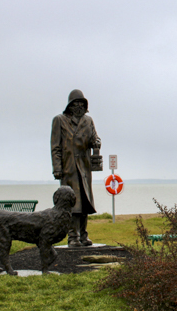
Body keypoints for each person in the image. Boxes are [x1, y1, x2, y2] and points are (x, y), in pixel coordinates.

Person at [51, 89, 102, 247]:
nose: (79, 107)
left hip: (85, 167)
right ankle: (73, 236)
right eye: (76, 104)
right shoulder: (60, 120)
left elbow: (95, 137)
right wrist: (57, 168)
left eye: (82, 104)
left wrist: (97, 143)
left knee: (85, 202)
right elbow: (55, 147)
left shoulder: (88, 121)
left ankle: (83, 235)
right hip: (69, 167)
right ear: (70, 106)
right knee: (72, 203)